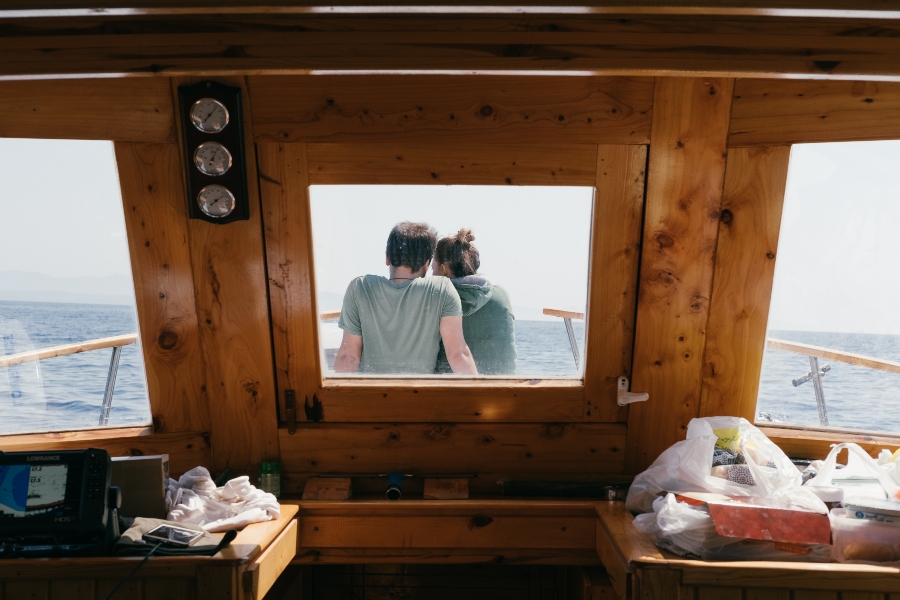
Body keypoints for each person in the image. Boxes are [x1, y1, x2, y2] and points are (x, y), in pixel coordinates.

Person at [334, 221, 478, 375]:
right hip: (417, 396)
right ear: (426, 264)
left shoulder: (360, 287)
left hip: (373, 396)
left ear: (387, 258)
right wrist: (479, 396)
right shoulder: (441, 289)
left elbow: (349, 358)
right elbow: (458, 355)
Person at [433, 228, 517, 375]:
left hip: (451, 392)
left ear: (443, 269)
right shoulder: (501, 295)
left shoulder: (439, 298)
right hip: (504, 390)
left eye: (433, 269)